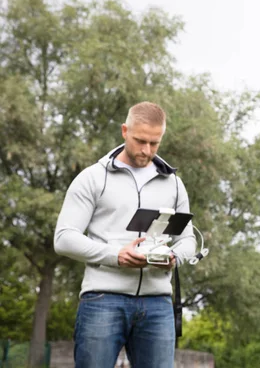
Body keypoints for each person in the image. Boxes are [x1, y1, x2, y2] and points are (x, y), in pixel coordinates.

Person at [54, 101, 197, 368]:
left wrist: (175, 256)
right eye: (140, 140)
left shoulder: (175, 184)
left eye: (155, 143)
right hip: (103, 300)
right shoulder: (93, 178)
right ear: (124, 131)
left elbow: (188, 239)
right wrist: (115, 255)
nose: (147, 150)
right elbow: (64, 238)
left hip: (158, 304)